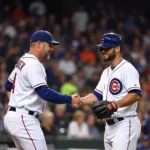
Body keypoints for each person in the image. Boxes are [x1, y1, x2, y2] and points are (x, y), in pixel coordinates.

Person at [4, 30, 81, 150]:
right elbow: (45, 93)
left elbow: (8, 85)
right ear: (39, 44)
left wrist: (15, 104)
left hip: (16, 117)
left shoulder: (23, 60)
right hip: (25, 119)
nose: (52, 48)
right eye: (50, 45)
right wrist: (69, 98)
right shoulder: (34, 64)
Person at [78, 33, 142, 150]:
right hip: (109, 126)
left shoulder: (127, 69)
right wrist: (80, 100)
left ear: (117, 48)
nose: (103, 51)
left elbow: (135, 95)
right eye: (102, 48)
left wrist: (114, 104)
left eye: (107, 48)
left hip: (124, 123)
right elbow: (96, 95)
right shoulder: (106, 72)